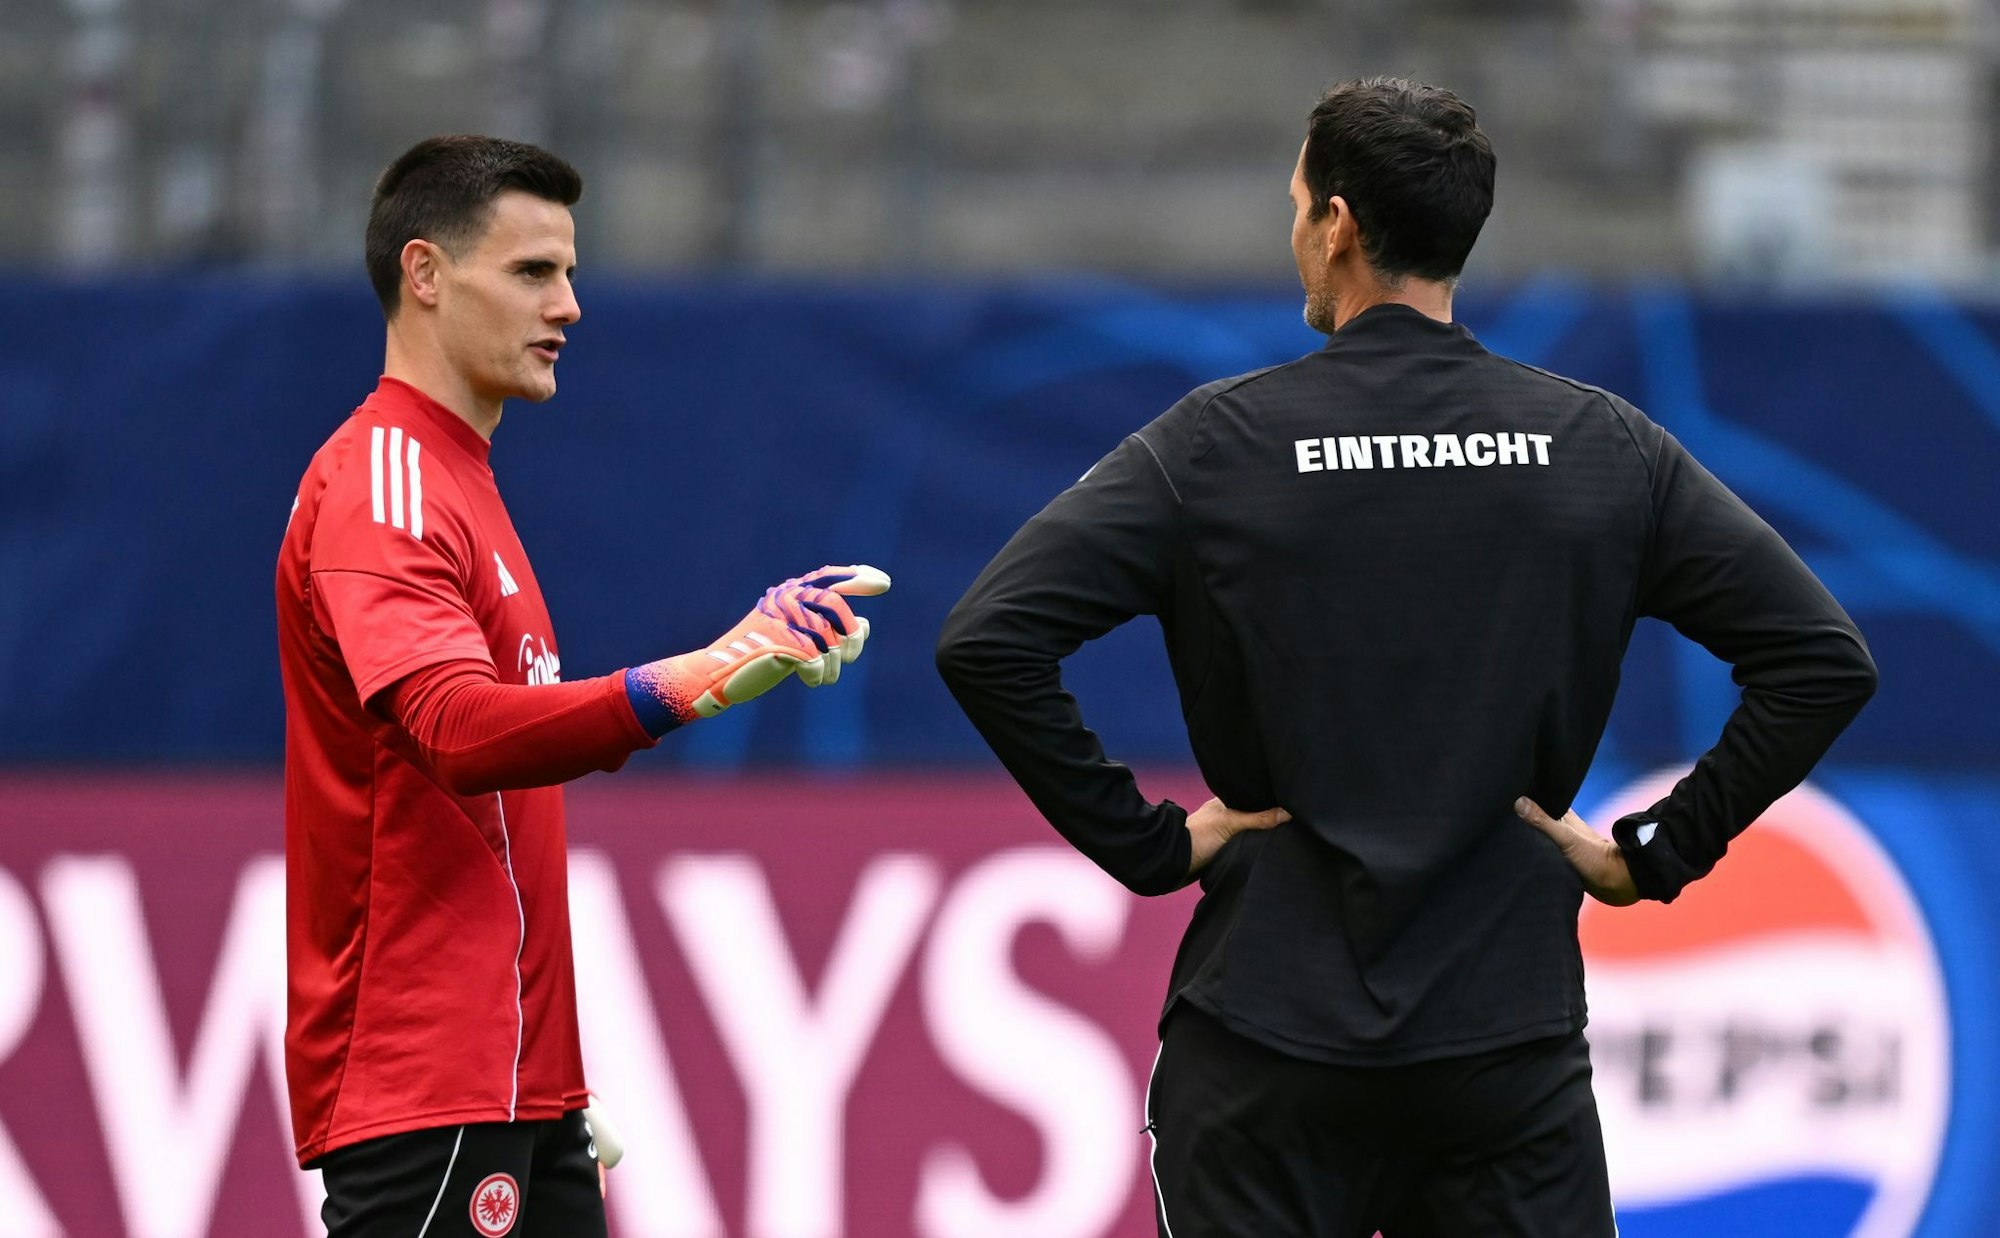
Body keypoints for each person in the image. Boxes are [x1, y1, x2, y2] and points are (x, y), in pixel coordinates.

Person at [935, 77, 1875, 1237]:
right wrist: (1655, 851)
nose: (1292, 234)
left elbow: (988, 637)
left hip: (1263, 1043)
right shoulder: (1597, 447)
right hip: (1502, 1051)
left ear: (1335, 223)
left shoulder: (1215, 444)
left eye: (1294, 203)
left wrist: (1149, 841)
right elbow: (1820, 660)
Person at [275, 134, 889, 1237]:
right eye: (531, 272)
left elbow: (488, 820)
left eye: (567, 270)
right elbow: (453, 731)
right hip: (430, 1085)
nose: (568, 304)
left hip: (511, 1081)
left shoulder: (457, 476)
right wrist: (694, 679)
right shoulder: (386, 478)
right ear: (424, 274)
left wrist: (543, 1070)